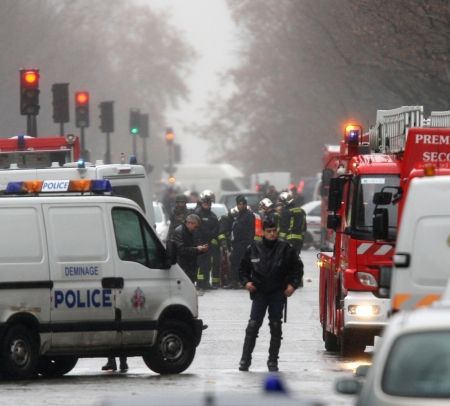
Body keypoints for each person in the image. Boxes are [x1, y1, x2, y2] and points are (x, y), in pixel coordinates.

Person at [238, 218, 303, 372]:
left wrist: (292, 285)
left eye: (274, 231)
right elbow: (242, 269)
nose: (272, 234)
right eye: (269, 231)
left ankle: (272, 361)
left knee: (275, 326)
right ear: (263, 232)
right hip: (259, 292)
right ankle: (245, 360)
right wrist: (246, 283)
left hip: (277, 292)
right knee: (253, 326)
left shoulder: (286, 248)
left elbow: (297, 269)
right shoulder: (253, 248)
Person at [219, 195, 255, 288]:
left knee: (242, 263)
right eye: (239, 204)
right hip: (236, 243)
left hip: (244, 243)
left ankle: (242, 281)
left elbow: (251, 231)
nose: (240, 206)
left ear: (245, 205)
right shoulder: (238, 215)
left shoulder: (249, 215)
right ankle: (233, 281)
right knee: (234, 262)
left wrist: (249, 244)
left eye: (242, 204)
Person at [170, 214, 208, 283]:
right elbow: (181, 250)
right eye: (195, 227)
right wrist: (197, 249)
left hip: (190, 266)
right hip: (182, 266)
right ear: (189, 223)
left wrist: (202, 250)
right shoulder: (179, 232)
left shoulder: (191, 232)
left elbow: (192, 248)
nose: (196, 229)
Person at [194, 191, 220, 290]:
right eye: (205, 202)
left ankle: (205, 282)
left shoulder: (213, 217)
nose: (207, 204)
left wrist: (211, 237)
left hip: (208, 244)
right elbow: (195, 229)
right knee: (200, 264)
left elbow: (216, 230)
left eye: (208, 203)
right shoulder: (197, 214)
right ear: (201, 203)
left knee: (207, 264)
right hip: (199, 243)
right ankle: (200, 283)